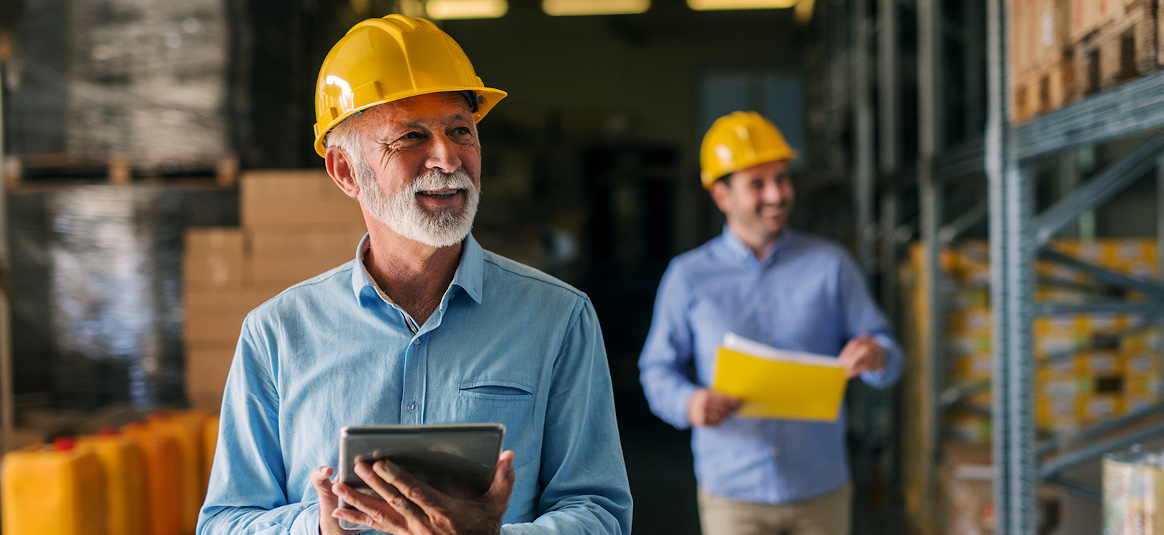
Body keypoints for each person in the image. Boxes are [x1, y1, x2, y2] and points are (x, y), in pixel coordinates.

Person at [197, 15, 632, 535]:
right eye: (410, 136)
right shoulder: (277, 334)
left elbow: (599, 511)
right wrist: (313, 527)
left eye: (460, 131)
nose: (447, 158)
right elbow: (224, 521)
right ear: (345, 172)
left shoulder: (557, 318)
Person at [637, 111, 902, 535]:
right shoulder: (687, 276)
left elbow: (890, 353)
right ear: (721, 195)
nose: (777, 194)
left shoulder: (831, 265)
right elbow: (656, 370)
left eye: (782, 178)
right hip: (733, 494)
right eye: (757, 184)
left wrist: (878, 355)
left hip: (821, 490)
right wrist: (690, 403)